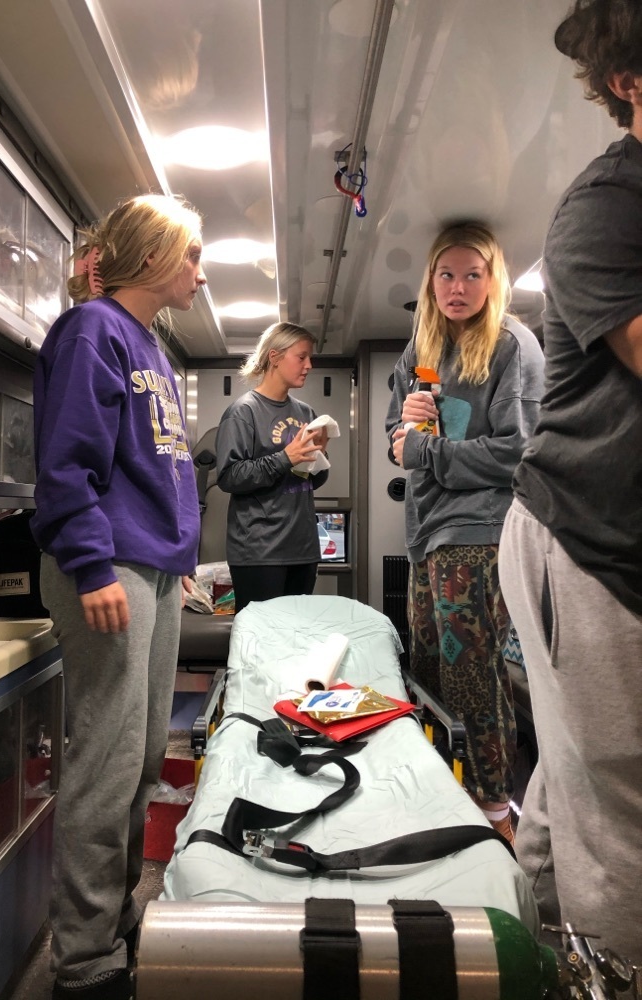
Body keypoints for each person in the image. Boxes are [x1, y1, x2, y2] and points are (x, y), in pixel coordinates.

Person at [30, 193, 205, 1000]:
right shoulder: (91, 331)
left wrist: (180, 559)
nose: (200, 273)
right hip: (109, 564)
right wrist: (93, 565)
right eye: (191, 255)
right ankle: (83, 963)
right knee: (105, 762)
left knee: (139, 761)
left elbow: (163, 467)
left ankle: (114, 919)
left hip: (154, 567)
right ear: (152, 256)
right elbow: (67, 462)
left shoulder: (152, 348)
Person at [499, 0, 642, 963]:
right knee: (621, 810)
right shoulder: (606, 208)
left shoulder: (509, 349)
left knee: (573, 777)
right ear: (629, 82)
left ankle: (539, 959)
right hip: (584, 539)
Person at [386, 222, 545, 844]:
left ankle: (494, 814)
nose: (458, 288)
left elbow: (519, 452)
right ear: (430, 280)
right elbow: (399, 440)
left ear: (492, 279)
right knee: (428, 667)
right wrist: (405, 430)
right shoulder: (420, 348)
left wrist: (424, 451)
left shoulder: (511, 345)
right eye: (446, 274)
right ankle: (443, 796)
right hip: (426, 532)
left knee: (474, 676)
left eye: (472, 275)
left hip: (480, 530)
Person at [216, 322, 330, 613]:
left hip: (303, 549)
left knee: (295, 634)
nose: (309, 365)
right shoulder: (244, 412)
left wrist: (318, 458)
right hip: (259, 552)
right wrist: (286, 457)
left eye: (309, 358)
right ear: (275, 357)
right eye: (301, 357)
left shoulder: (306, 412)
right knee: (261, 637)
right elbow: (229, 477)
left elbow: (311, 482)